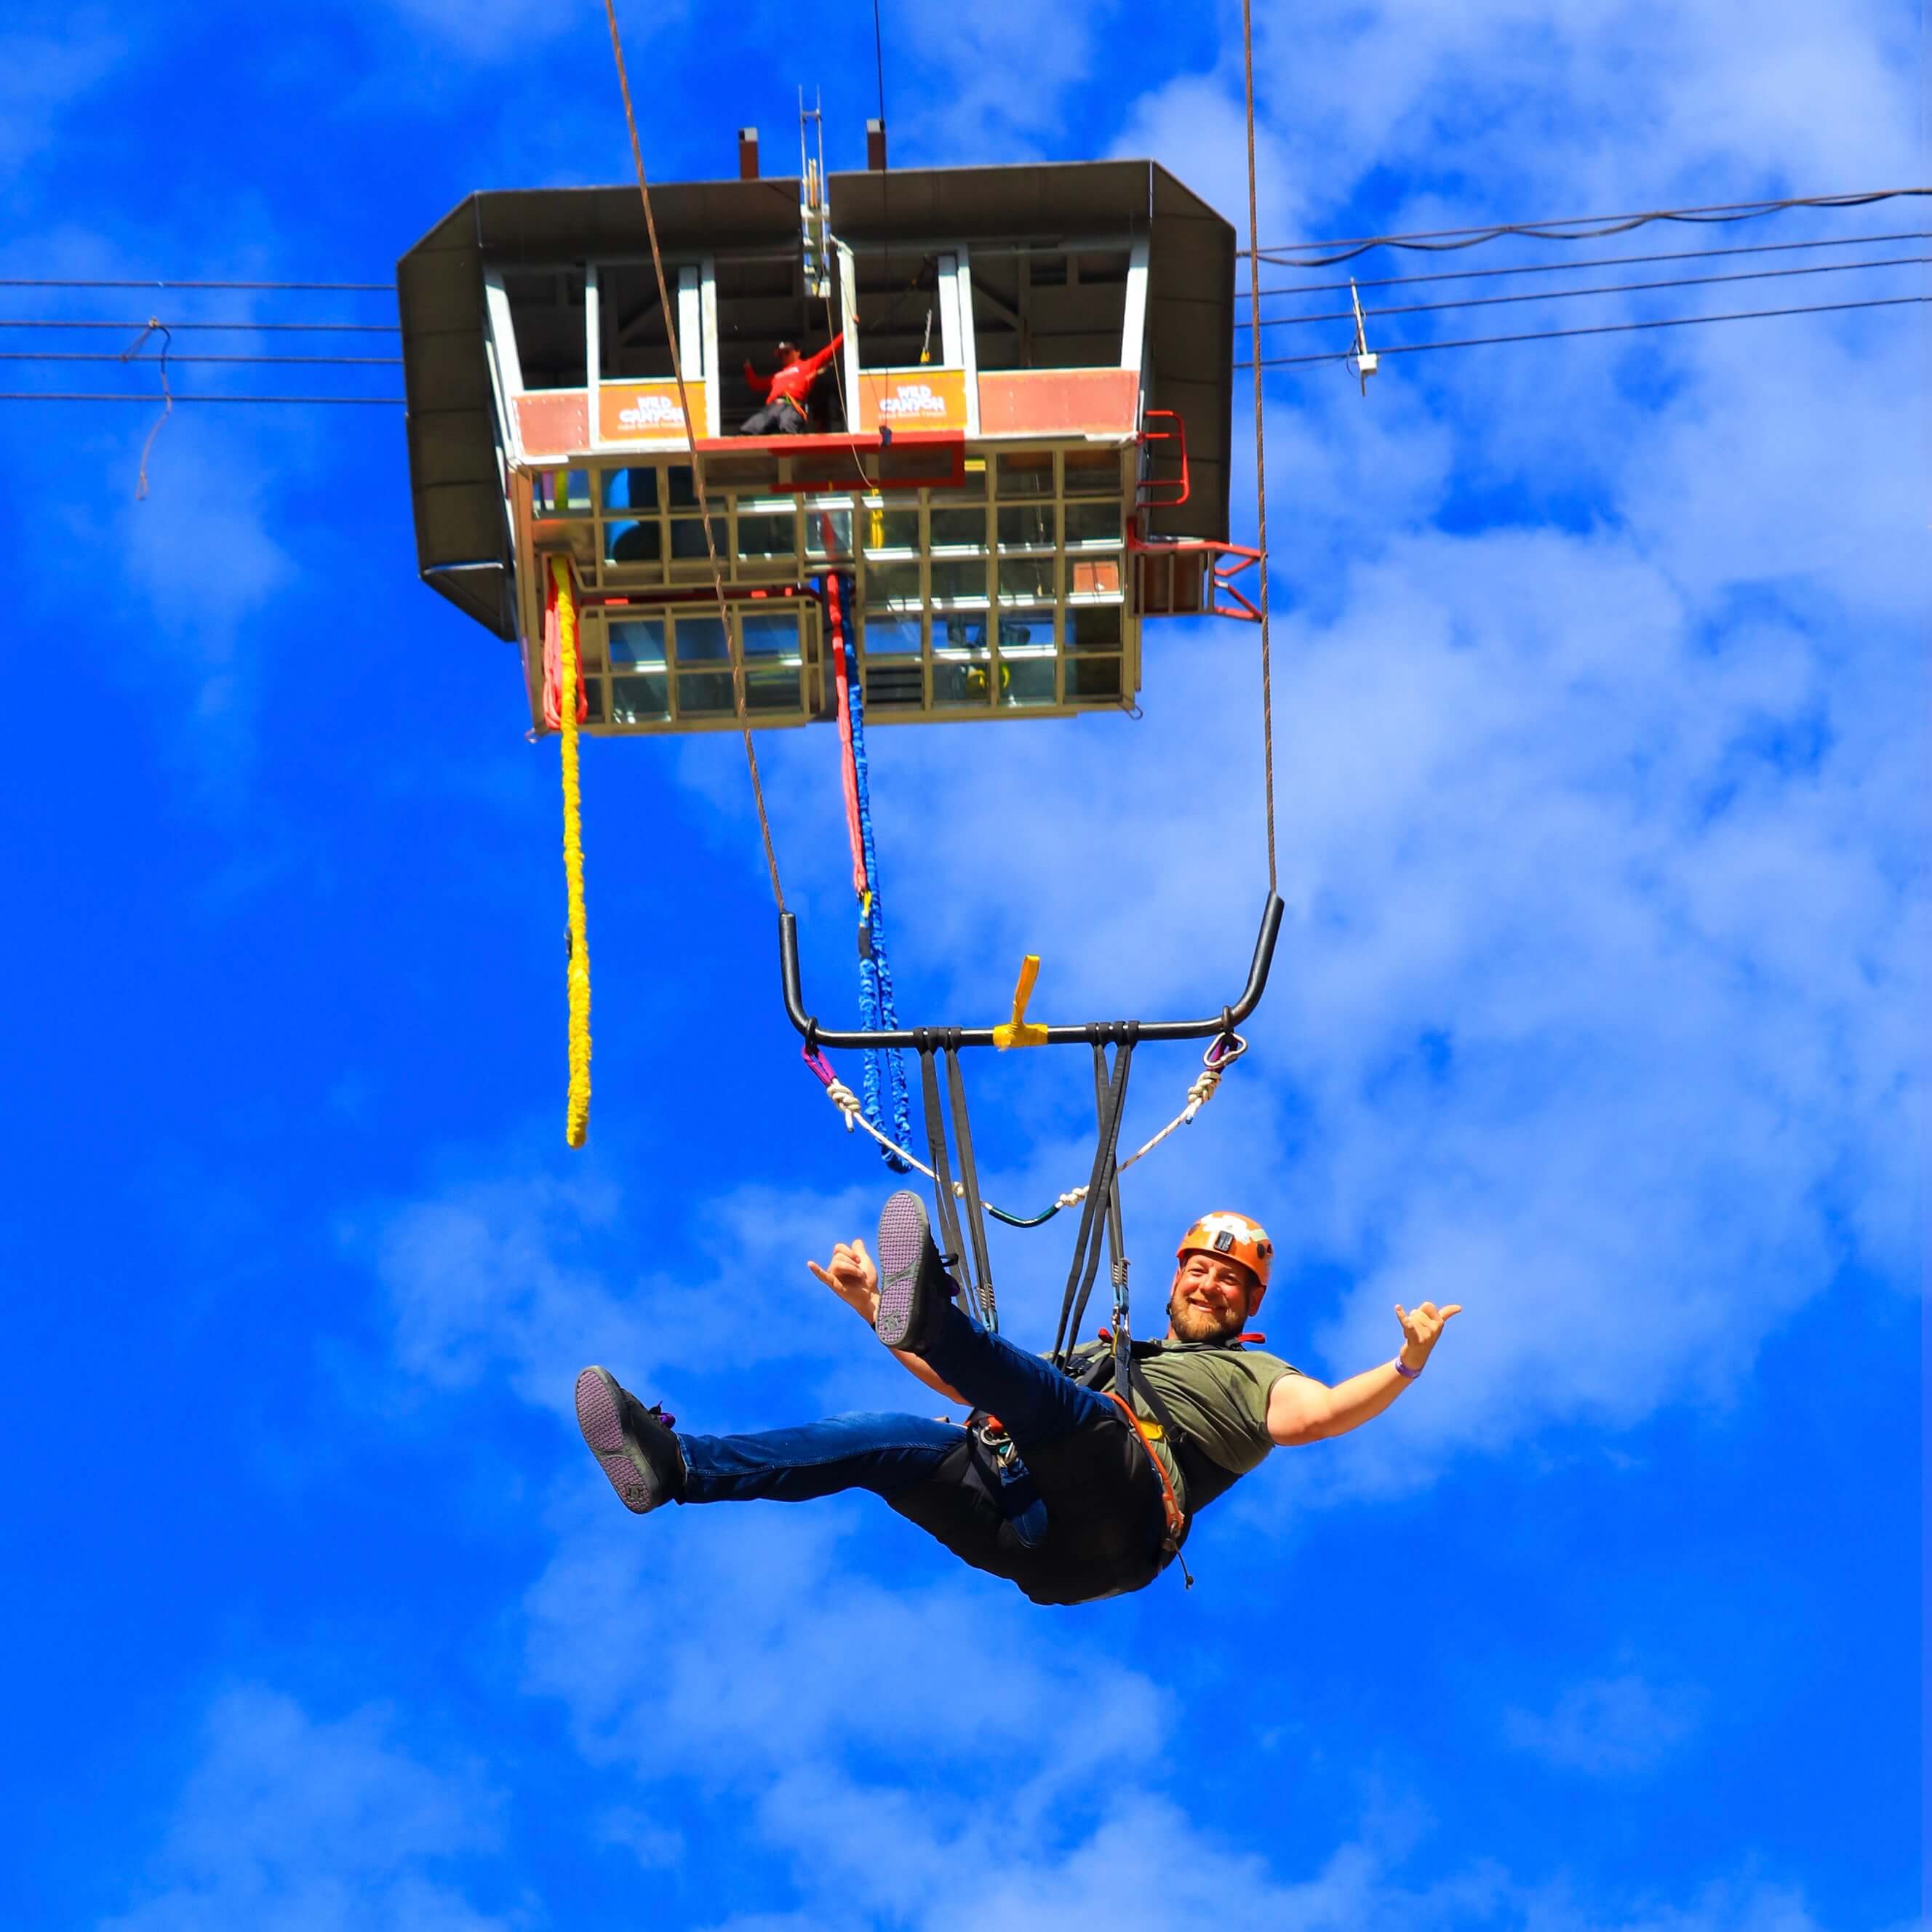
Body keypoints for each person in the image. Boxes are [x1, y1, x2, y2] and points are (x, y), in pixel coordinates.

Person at [575, 1192, 1461, 1605]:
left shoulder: (1257, 1378)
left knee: (1063, 1415)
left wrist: (1405, 1363)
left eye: (1231, 1281)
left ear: (1250, 1306)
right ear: (1174, 1277)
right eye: (1199, 1266)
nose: (1211, 1283)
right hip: (1023, 1532)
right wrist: (868, 1312)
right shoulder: (1096, 1356)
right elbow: (976, 1380)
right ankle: (677, 1468)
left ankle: (926, 1311)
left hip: (1118, 1519)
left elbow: (1322, 1417)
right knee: (881, 1436)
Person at [738, 328, 845, 434]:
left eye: (787, 352)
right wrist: (747, 367)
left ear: (798, 352)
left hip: (792, 405)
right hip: (773, 407)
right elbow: (755, 384)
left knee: (787, 425)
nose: (783, 356)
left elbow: (829, 351)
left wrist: (846, 331)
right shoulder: (777, 376)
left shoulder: (807, 365)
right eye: (781, 354)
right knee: (749, 428)